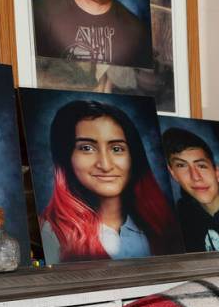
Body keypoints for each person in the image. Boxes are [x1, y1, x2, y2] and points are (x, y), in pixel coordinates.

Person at [40, 100, 180, 262]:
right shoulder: (50, 234)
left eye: (116, 149)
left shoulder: (163, 225)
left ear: (133, 156)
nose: (105, 165)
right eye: (87, 148)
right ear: (66, 158)